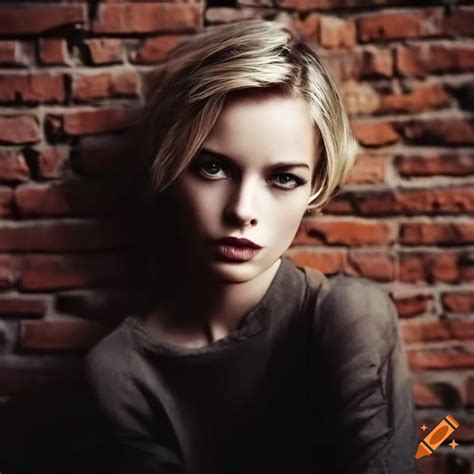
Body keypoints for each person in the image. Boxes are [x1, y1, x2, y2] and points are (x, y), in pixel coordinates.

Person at [84, 19, 417, 474]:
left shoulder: (349, 313)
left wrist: (439, 441)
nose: (243, 210)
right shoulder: (120, 368)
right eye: (213, 168)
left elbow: (423, 447)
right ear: (170, 166)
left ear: (316, 187)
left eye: (284, 178)